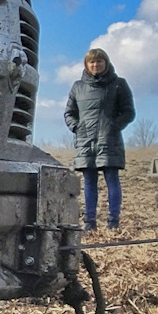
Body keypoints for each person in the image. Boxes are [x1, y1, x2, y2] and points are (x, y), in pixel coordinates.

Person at [63, 48, 134, 231]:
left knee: (112, 179)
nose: (96, 65)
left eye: (99, 61)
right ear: (87, 65)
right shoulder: (78, 87)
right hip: (85, 141)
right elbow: (69, 113)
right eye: (92, 62)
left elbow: (128, 112)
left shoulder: (119, 84)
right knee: (89, 183)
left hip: (109, 140)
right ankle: (90, 222)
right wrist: (77, 128)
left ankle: (113, 221)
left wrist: (113, 126)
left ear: (106, 63)